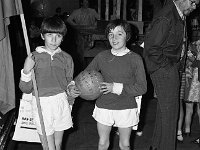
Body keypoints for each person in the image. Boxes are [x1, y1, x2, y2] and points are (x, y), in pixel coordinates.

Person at [143, 0, 199, 150]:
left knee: (164, 111)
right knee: (170, 114)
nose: (194, 7)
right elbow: (152, 47)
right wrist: (167, 67)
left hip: (170, 67)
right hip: (165, 68)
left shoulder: (178, 13)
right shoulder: (166, 16)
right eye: (193, 2)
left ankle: (156, 146)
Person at [19, 16, 80, 150]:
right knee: (48, 146)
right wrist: (27, 70)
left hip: (61, 102)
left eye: (58, 35)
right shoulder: (33, 57)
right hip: (42, 103)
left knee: (58, 145)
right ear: (42, 36)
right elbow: (25, 88)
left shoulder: (67, 58)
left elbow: (68, 82)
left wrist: (71, 94)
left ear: (63, 38)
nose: (53, 40)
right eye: (49, 35)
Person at [84, 19, 147, 150]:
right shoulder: (101, 56)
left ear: (127, 36)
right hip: (104, 106)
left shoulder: (135, 58)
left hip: (126, 106)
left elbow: (142, 87)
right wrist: (74, 85)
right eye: (111, 34)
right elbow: (85, 75)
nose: (114, 38)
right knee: (102, 143)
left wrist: (115, 87)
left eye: (119, 34)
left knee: (124, 144)